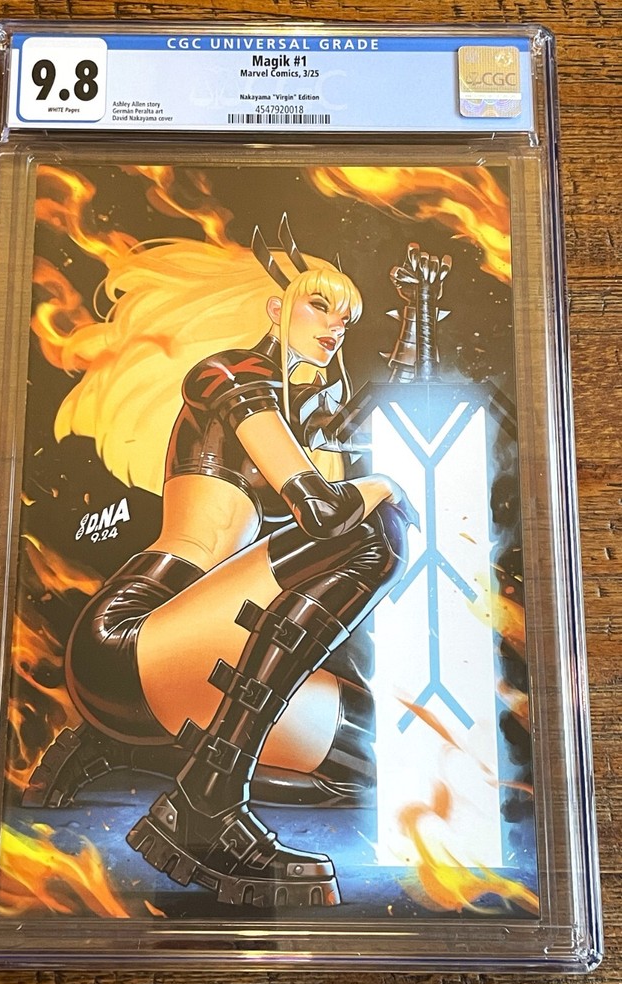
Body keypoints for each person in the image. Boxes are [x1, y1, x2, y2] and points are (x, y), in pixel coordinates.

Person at [38, 220, 443, 907]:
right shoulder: (229, 377)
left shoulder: (303, 413)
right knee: (377, 530)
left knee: (382, 760)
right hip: (136, 635)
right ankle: (203, 802)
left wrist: (421, 316)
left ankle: (129, 747)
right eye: (320, 304)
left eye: (346, 317)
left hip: (205, 662)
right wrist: (380, 487)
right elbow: (324, 514)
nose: (335, 325)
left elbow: (396, 413)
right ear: (275, 307)